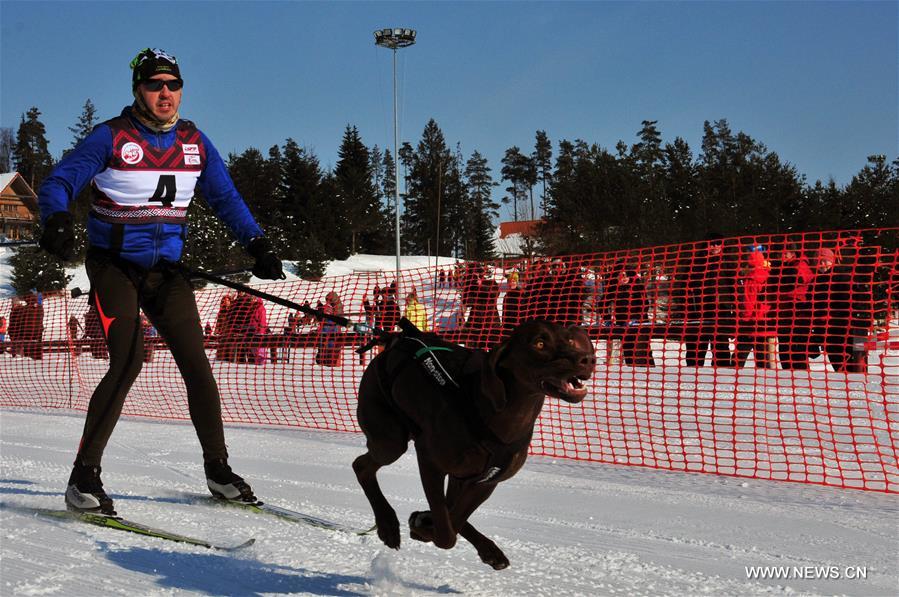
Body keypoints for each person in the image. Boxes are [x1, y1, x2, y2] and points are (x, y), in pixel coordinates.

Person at [36, 48, 284, 516]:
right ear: (138, 90)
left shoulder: (195, 142)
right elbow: (59, 182)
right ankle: (82, 477)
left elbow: (226, 197)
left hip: (167, 272)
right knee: (129, 360)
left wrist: (258, 244)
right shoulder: (111, 137)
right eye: (155, 85)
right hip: (114, 267)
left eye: (173, 84)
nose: (165, 93)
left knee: (197, 363)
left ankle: (218, 469)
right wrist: (55, 219)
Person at [674, 233, 736, 367]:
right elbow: (682, 287)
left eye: (718, 243)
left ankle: (722, 379)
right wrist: (684, 308)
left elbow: (735, 289)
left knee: (720, 350)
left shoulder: (728, 262)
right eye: (712, 243)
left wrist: (735, 312)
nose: (715, 246)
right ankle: (692, 380)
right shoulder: (696, 262)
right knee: (695, 351)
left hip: (720, 312)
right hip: (697, 312)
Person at [772, 242, 814, 369]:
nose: (782, 256)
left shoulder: (800, 265)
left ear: (793, 253)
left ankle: (801, 377)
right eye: (780, 254)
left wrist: (777, 277)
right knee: (785, 350)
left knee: (797, 351)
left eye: (785, 253)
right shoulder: (786, 266)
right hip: (786, 315)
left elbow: (795, 280)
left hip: (798, 314)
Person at [734, 245, 776, 368]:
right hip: (767, 323)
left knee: (738, 360)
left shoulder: (751, 278)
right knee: (764, 362)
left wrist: (743, 319)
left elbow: (748, 303)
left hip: (751, 324)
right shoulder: (768, 274)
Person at [316, 291, 344, 367]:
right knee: (325, 342)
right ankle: (323, 360)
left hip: (333, 328)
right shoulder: (329, 306)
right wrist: (320, 306)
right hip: (327, 328)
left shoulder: (337, 306)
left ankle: (329, 361)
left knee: (331, 344)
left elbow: (338, 314)